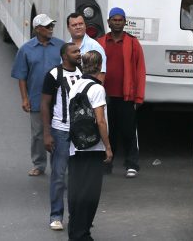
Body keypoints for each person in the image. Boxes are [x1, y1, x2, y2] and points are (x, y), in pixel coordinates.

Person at [11, 14, 67, 177]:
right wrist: (24, 98)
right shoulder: (26, 49)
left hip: (59, 98)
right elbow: (21, 76)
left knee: (59, 132)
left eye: (52, 26)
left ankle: (58, 164)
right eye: (47, 26)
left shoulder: (61, 46)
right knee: (38, 133)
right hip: (37, 98)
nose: (51, 29)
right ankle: (38, 164)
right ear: (37, 29)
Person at [67, 50, 112, 241]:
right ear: (100, 66)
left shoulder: (76, 85)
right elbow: (100, 121)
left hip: (75, 145)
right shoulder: (97, 89)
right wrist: (108, 147)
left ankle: (74, 231)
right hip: (93, 147)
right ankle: (82, 234)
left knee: (76, 190)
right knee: (90, 193)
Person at [97, 7, 145, 178]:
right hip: (104, 96)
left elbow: (140, 70)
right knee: (107, 131)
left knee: (129, 131)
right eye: (114, 20)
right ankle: (106, 164)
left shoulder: (132, 43)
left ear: (125, 22)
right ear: (108, 22)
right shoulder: (100, 42)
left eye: (120, 20)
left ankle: (131, 164)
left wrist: (138, 96)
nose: (117, 23)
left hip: (126, 96)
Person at [41, 42, 83, 231]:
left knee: (78, 176)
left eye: (79, 51)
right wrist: (47, 133)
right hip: (60, 131)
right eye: (74, 52)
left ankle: (76, 215)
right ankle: (56, 216)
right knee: (59, 175)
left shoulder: (83, 72)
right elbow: (44, 104)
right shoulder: (53, 74)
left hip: (80, 132)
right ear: (65, 56)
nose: (79, 54)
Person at [66, 13, 106, 78]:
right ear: (68, 28)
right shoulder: (66, 47)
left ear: (85, 25)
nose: (78, 27)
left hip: (89, 84)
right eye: (74, 25)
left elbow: (101, 74)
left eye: (81, 24)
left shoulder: (95, 46)